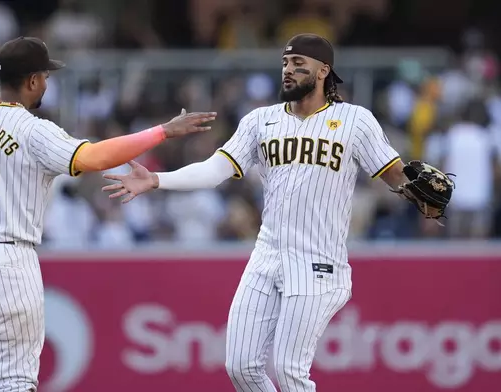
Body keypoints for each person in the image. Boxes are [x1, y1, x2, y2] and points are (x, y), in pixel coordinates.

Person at [103, 34, 448, 391]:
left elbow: (392, 173)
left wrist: (414, 190)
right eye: (286, 63)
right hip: (267, 255)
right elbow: (214, 170)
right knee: (240, 366)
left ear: (323, 70)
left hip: (318, 262)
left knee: (287, 370)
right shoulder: (260, 121)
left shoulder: (355, 120)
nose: (289, 70)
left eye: (300, 64)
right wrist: (157, 179)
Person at [0, 36, 215, 392]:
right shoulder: (34, 130)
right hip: (9, 259)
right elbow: (95, 158)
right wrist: (162, 131)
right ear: (33, 81)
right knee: (13, 381)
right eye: (45, 76)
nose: (46, 83)